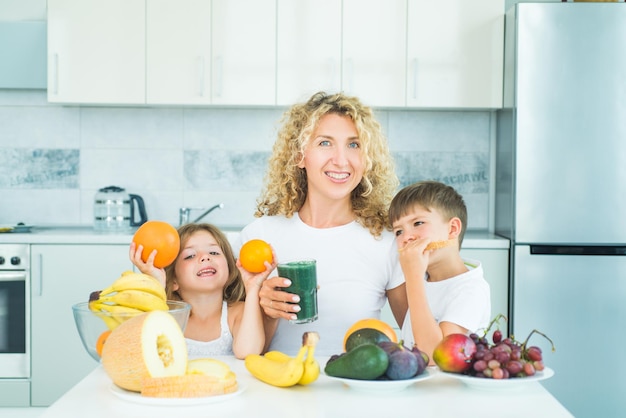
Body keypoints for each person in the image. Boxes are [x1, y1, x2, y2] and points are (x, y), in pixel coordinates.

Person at [235, 91, 408, 356]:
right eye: (325, 143)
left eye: (354, 144)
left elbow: (416, 336)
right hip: (277, 392)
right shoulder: (259, 237)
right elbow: (241, 352)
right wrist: (266, 311)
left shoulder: (386, 241)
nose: (341, 160)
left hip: (356, 388)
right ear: (299, 156)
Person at [130, 223, 277, 359]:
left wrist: (252, 289)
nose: (205, 257)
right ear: (173, 281)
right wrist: (156, 284)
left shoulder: (237, 312)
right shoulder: (167, 315)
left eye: (213, 252)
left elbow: (248, 352)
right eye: (190, 256)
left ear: (229, 268)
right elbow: (143, 352)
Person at [388, 180, 491, 361]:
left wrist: (413, 277)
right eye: (398, 231)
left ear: (452, 229)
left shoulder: (471, 290)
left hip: (448, 389)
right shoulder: (425, 280)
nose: (406, 237)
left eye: (418, 223)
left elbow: (434, 355)